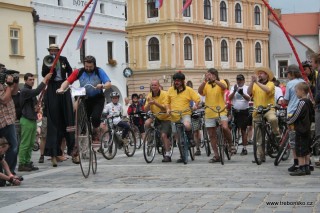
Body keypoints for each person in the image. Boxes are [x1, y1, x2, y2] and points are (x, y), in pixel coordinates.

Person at [57, 55, 112, 145]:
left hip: (97, 98)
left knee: (95, 118)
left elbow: (108, 83)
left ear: (94, 65)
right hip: (85, 98)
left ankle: (95, 131)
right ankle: (83, 135)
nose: (88, 68)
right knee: (81, 117)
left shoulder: (99, 71)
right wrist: (61, 88)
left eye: (90, 67)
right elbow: (67, 81)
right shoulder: (79, 72)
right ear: (84, 65)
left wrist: (102, 85)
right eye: (86, 66)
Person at [42, 44, 76, 163]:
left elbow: (71, 72)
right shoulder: (46, 60)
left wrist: (68, 82)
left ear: (58, 51)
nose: (53, 52)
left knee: (67, 115)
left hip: (63, 85)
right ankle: (53, 152)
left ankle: (72, 150)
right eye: (51, 50)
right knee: (54, 118)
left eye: (55, 50)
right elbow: (43, 74)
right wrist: (49, 69)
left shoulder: (63, 60)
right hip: (52, 87)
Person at [198, 68, 234, 163]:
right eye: (207, 75)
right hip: (209, 112)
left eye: (210, 74)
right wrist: (204, 81)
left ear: (215, 75)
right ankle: (216, 155)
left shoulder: (221, 81)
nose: (208, 76)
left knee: (225, 128)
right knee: (212, 135)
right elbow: (200, 91)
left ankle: (231, 144)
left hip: (220, 111)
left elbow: (224, 87)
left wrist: (215, 80)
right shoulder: (206, 85)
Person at [18, 72, 52, 170]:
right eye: (30, 80)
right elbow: (37, 91)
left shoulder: (30, 92)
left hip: (32, 119)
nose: (32, 81)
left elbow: (35, 103)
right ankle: (21, 163)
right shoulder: (24, 91)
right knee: (25, 143)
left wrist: (37, 107)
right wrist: (45, 79)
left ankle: (27, 162)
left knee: (31, 143)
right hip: (26, 120)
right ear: (25, 80)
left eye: (33, 80)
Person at [247, 67, 279, 163]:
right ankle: (260, 156)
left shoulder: (271, 83)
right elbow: (248, 93)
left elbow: (267, 90)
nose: (259, 75)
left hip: (268, 109)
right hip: (258, 110)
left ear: (267, 75)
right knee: (258, 136)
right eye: (259, 73)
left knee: (273, 119)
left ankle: (276, 134)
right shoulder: (255, 84)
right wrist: (252, 82)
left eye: (262, 73)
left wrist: (256, 82)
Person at [167, 71, 200, 163]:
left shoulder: (188, 90)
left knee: (187, 124)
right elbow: (167, 102)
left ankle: (190, 139)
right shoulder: (170, 90)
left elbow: (197, 99)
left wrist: (195, 106)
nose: (176, 82)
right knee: (177, 137)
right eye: (175, 80)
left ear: (182, 81)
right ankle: (182, 156)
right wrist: (168, 109)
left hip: (185, 113)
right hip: (174, 115)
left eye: (178, 80)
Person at [280, 64, 305, 172]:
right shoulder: (303, 82)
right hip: (303, 113)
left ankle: (296, 162)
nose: (287, 76)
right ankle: (305, 164)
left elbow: (286, 100)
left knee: (293, 139)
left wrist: (281, 102)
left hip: (292, 113)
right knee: (303, 138)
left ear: (292, 73)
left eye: (288, 74)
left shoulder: (290, 84)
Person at [287, 82, 314, 176]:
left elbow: (296, 115)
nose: (296, 93)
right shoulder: (309, 102)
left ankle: (301, 168)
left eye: (296, 91)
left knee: (300, 149)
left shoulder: (302, 102)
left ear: (302, 91)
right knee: (306, 149)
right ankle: (307, 167)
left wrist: (289, 121)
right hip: (307, 129)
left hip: (301, 129)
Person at [144, 79, 172, 162]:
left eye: (155, 85)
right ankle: (150, 139)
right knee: (147, 123)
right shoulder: (149, 95)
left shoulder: (164, 94)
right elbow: (145, 110)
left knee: (163, 135)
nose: (153, 86)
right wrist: (149, 104)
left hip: (165, 117)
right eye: (152, 85)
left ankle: (167, 154)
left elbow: (165, 108)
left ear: (159, 86)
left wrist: (155, 103)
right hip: (155, 116)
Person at [0, 71, 19, 177]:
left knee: (13, 146)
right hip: (1, 121)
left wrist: (15, 82)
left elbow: (15, 92)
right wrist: (9, 86)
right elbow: (4, 100)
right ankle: (3, 175)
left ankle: (10, 172)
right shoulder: (5, 86)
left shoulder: (4, 84)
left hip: (9, 120)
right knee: (1, 148)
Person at [229, 74, 251, 156]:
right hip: (235, 111)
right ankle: (232, 146)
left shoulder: (246, 88)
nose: (239, 81)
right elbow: (229, 98)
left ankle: (244, 148)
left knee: (243, 130)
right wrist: (234, 91)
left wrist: (242, 94)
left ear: (244, 80)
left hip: (244, 111)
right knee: (232, 128)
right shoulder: (233, 87)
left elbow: (249, 99)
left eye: (240, 80)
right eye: (238, 80)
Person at [186, 80, 202, 156]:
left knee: (196, 132)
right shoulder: (184, 95)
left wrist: (195, 107)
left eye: (190, 87)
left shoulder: (194, 95)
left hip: (194, 115)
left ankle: (197, 148)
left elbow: (198, 103)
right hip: (186, 115)